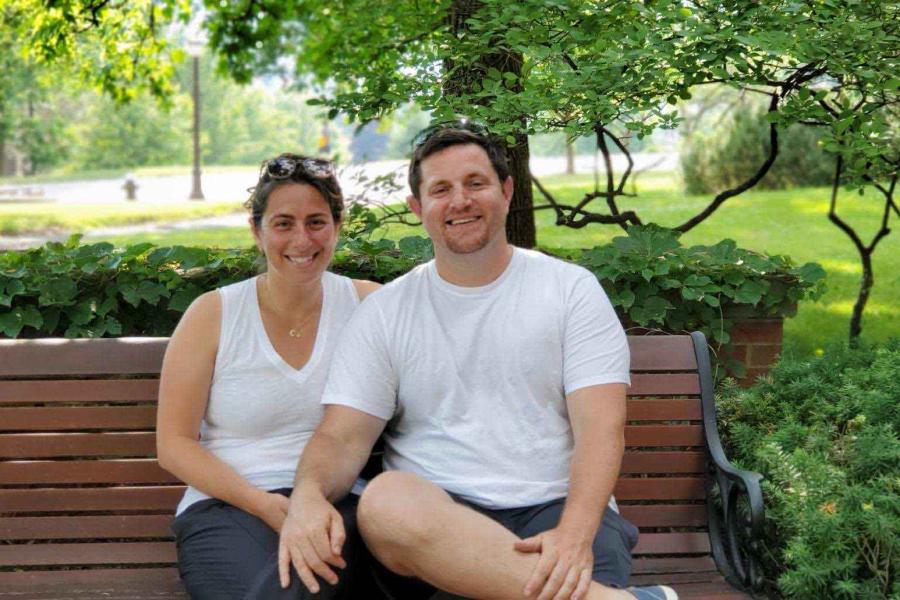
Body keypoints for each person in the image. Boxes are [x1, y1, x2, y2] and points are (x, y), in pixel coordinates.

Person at [278, 124, 678, 600]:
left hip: (555, 510)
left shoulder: (571, 291)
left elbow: (601, 430)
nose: (460, 201)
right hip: (436, 526)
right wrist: (305, 495)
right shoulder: (387, 313)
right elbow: (341, 436)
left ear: (506, 191)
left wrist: (573, 537)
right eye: (440, 190)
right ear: (417, 208)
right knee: (385, 501)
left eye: (475, 183)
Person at [156, 154, 379, 600]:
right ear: (256, 231)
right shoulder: (213, 314)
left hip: (338, 504)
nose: (302, 239)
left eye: (317, 222)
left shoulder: (368, 307)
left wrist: (305, 505)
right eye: (283, 223)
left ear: (337, 226)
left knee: (305, 580)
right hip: (226, 506)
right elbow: (174, 444)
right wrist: (269, 506)